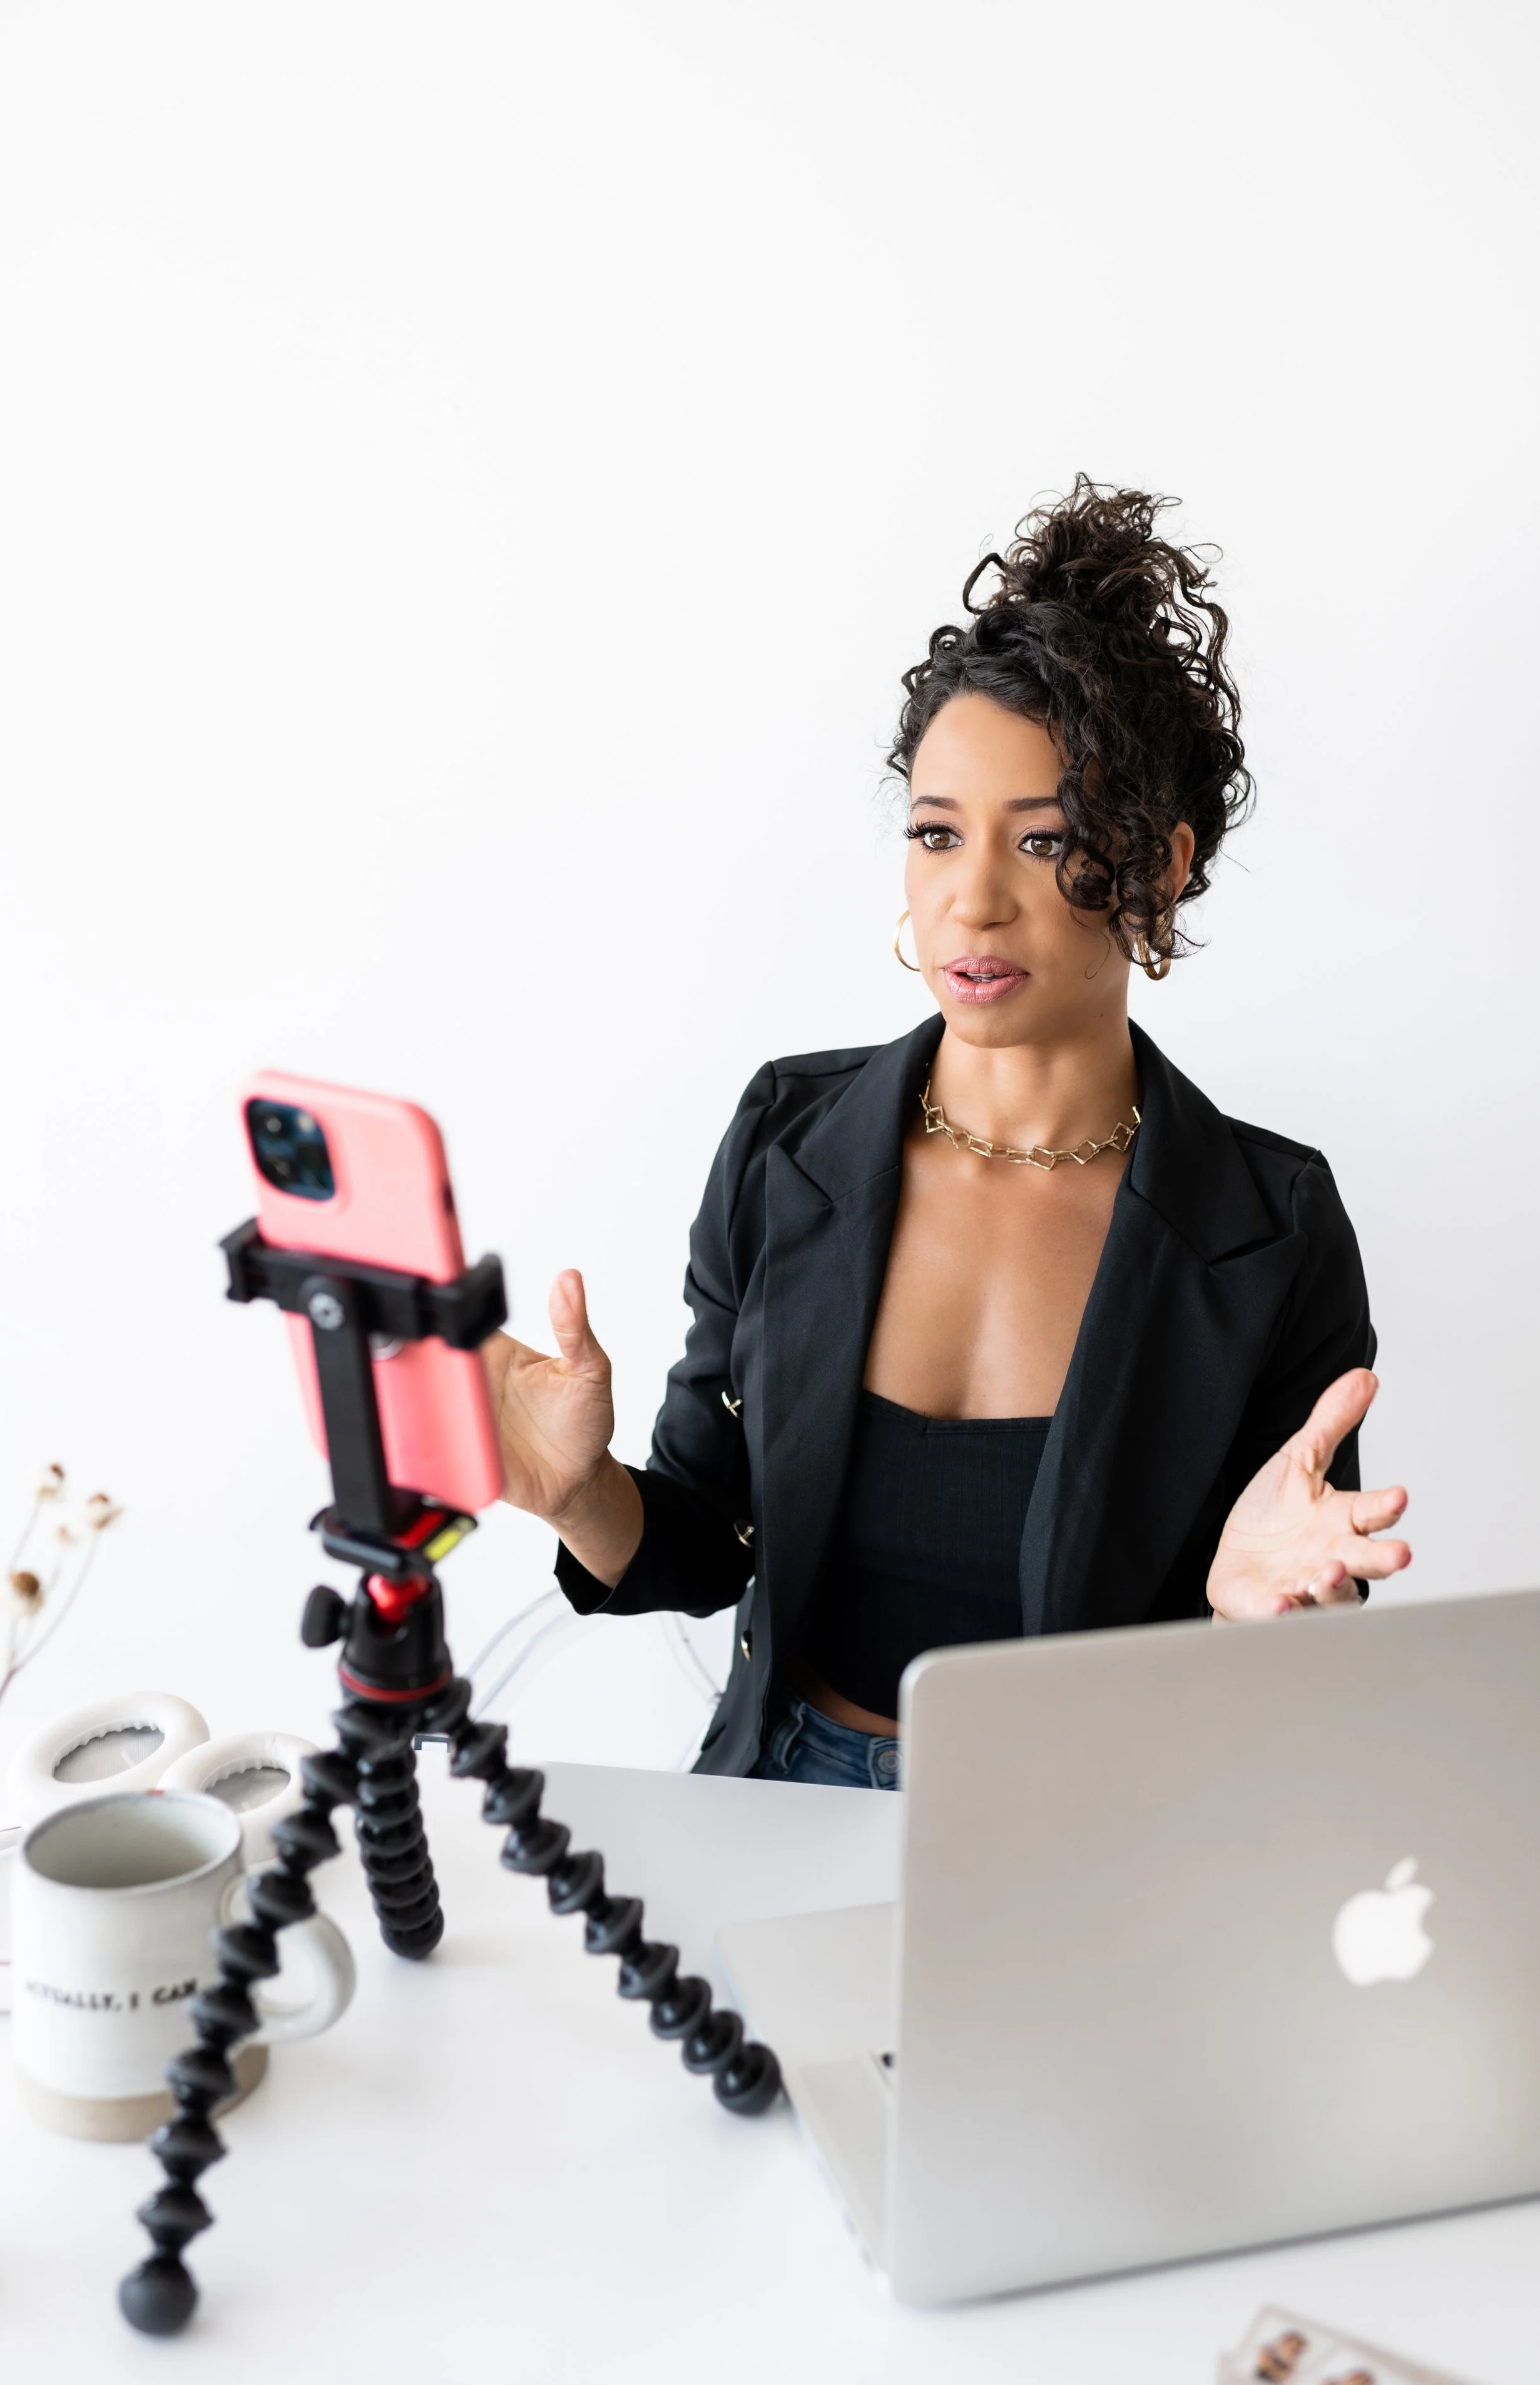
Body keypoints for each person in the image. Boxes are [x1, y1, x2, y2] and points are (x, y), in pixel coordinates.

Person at [482, 477, 1412, 1789]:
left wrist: (1256, 1623)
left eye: (1043, 844)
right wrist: (577, 1491)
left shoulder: (1264, 1227)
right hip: (777, 1792)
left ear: (1156, 866)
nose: (969, 901)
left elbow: (1295, 1584)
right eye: (933, 835)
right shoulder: (783, 1140)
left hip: (1075, 1829)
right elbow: (701, 1545)